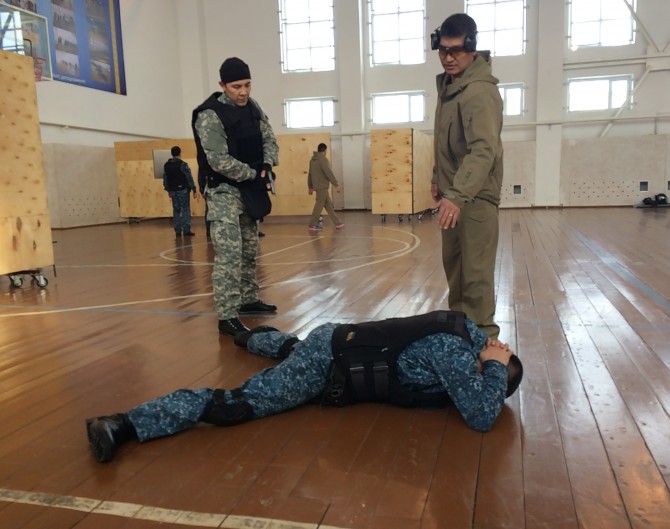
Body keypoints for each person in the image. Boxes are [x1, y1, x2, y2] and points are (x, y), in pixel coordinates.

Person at [85, 310, 523, 463]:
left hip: (335, 339)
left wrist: (492, 362)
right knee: (240, 404)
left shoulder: (463, 332)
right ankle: (124, 424)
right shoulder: (455, 353)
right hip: (326, 363)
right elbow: (481, 415)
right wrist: (493, 370)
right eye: (487, 369)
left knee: (293, 349)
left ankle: (249, 337)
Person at [191, 57, 279, 338]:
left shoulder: (253, 107)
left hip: (249, 189)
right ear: (223, 85)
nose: (243, 92)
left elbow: (269, 138)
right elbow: (217, 160)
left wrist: (267, 165)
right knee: (229, 254)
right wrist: (253, 174)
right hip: (223, 192)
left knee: (250, 248)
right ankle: (227, 315)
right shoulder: (209, 115)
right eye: (236, 86)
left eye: (247, 85)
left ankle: (248, 298)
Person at [430, 13, 504, 340]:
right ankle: (461, 340)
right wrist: (438, 177)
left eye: (456, 50)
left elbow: (483, 149)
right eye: (443, 50)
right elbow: (445, 141)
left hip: (474, 198)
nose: (448, 57)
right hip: (454, 195)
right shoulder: (450, 87)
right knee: (456, 272)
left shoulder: (478, 92)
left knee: (475, 277)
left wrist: (457, 195)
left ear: (472, 48)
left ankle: (484, 345)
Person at [307, 143, 343, 232]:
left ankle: (337, 223)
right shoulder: (323, 160)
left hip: (318, 186)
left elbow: (310, 174)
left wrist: (310, 186)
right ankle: (312, 224)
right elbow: (328, 173)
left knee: (328, 205)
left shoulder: (312, 160)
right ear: (325, 150)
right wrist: (336, 184)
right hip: (322, 186)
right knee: (319, 205)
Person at [163, 146, 197, 237]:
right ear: (180, 153)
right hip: (183, 190)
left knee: (176, 210)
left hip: (173, 191)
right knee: (185, 209)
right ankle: (186, 230)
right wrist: (194, 188)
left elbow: (165, 178)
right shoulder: (183, 164)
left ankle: (177, 230)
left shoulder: (167, 165)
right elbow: (189, 178)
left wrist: (168, 189)